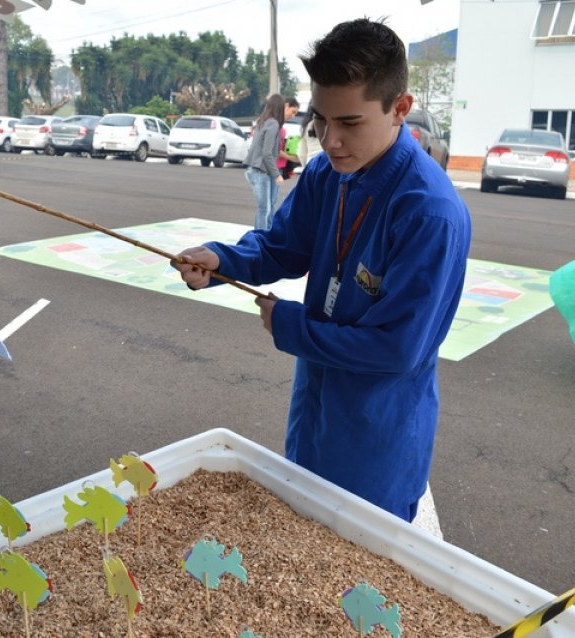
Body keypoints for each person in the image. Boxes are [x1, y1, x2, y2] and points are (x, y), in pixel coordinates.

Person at [171, 18, 471, 522]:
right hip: (312, 415)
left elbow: (396, 349)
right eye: (320, 120)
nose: (331, 141)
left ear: (400, 108)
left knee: (360, 563)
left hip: (377, 445)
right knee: (299, 531)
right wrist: (223, 260)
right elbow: (283, 247)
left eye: (350, 122)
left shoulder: (428, 213)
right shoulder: (326, 174)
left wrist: (289, 324)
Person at [243, 94, 285, 229]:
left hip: (255, 169)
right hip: (260, 171)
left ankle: (265, 235)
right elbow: (267, 153)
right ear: (280, 108)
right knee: (264, 209)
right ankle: (260, 238)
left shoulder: (262, 121)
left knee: (266, 207)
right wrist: (277, 175)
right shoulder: (273, 124)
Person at [277, 96, 301, 180]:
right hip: (270, 169)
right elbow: (274, 149)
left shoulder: (279, 125)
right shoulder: (274, 125)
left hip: (277, 167)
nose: (293, 116)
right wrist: (291, 158)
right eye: (293, 112)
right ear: (286, 106)